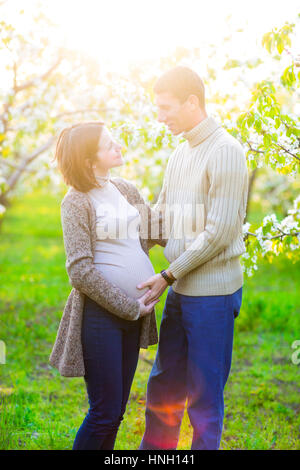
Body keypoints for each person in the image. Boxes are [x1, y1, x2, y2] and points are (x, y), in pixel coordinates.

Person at [137, 66, 249, 450]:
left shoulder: (226, 153)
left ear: (192, 102)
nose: (159, 117)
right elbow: (163, 213)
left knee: (203, 395)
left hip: (213, 296)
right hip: (181, 290)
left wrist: (167, 275)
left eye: (166, 108)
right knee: (164, 385)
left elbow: (219, 232)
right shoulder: (179, 153)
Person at [49, 121, 165, 450]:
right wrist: (130, 307)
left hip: (134, 315)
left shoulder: (125, 189)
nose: (119, 148)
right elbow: (80, 270)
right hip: (102, 317)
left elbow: (158, 229)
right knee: (104, 411)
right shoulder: (75, 203)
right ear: (89, 160)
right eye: (109, 145)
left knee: (116, 414)